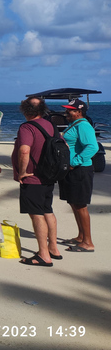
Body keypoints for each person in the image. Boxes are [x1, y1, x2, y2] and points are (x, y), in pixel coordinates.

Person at [13, 97, 62, 267]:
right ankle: (53, 248)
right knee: (47, 210)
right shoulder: (51, 125)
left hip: (33, 177)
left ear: (25, 110)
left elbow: (25, 150)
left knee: (36, 214)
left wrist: (22, 172)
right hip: (49, 176)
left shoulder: (27, 127)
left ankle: (43, 255)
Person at [58, 98, 98, 252]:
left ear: (79, 112)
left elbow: (92, 147)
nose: (67, 112)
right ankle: (81, 236)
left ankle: (88, 243)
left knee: (80, 205)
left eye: (70, 110)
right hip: (71, 170)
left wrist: (75, 162)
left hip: (80, 170)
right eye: (67, 109)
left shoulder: (83, 125)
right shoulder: (74, 124)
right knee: (74, 203)